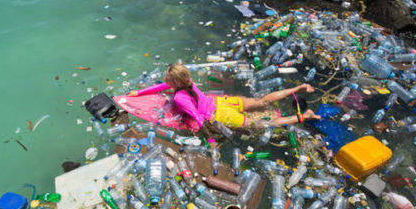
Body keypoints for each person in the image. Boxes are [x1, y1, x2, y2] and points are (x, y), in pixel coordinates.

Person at [127, 63, 320, 132]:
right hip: (222, 102)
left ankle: (305, 116)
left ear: (176, 82)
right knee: (261, 102)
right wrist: (139, 93)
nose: (165, 81)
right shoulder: (188, 81)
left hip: (221, 115)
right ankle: (299, 88)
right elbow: (163, 86)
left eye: (168, 78)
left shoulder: (179, 99)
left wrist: (208, 137)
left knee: (262, 125)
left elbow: (197, 117)